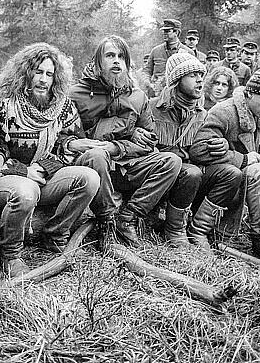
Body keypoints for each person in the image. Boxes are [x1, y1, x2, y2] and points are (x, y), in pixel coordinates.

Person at [0, 43, 100, 278]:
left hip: (44, 175)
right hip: (6, 181)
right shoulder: (0, 102)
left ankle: (55, 233)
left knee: (89, 178)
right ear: (25, 72)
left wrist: (46, 166)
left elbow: (73, 144)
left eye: (49, 74)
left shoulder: (62, 105)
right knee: (26, 192)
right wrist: (20, 170)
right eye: (38, 72)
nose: (43, 80)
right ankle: (10, 254)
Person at [69, 35, 182, 248]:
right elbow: (65, 136)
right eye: (110, 55)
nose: (116, 61)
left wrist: (118, 146)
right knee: (97, 155)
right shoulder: (77, 94)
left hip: (126, 165)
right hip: (92, 167)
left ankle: (128, 217)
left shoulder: (138, 96)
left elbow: (149, 142)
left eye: (121, 57)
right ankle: (106, 221)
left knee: (171, 161)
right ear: (97, 62)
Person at [190, 69, 260, 263]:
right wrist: (242, 159)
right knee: (259, 172)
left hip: (244, 170)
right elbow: (198, 151)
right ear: (249, 94)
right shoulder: (224, 112)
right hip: (221, 177)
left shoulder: (258, 114)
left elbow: (254, 146)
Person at [149, 53, 232, 246]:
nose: (200, 79)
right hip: (160, 177)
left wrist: (222, 145)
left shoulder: (203, 114)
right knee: (191, 172)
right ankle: (174, 229)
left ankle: (198, 229)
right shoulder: (152, 107)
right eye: (193, 75)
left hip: (190, 179)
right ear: (177, 80)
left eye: (201, 74)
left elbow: (206, 146)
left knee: (231, 174)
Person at [144, 19, 194, 97]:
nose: (164, 34)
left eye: (167, 31)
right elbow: (147, 70)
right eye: (164, 31)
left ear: (176, 32)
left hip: (178, 95)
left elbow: (192, 75)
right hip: (157, 94)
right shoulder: (155, 51)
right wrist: (148, 84)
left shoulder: (187, 52)